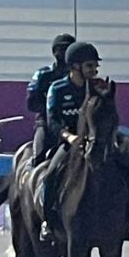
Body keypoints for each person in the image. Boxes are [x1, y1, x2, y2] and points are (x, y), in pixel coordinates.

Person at [40, 41, 102, 240]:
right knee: (50, 175)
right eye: (89, 66)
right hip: (67, 142)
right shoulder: (57, 89)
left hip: (94, 142)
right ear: (75, 66)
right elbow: (53, 120)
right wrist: (68, 136)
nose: (94, 70)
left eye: (95, 66)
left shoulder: (97, 88)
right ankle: (47, 222)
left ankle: (127, 220)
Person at [26, 34, 76, 165]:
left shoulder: (78, 76)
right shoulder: (43, 74)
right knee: (39, 156)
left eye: (69, 49)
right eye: (62, 49)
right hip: (46, 124)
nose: (65, 54)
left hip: (74, 124)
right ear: (55, 52)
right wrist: (51, 110)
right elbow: (31, 103)